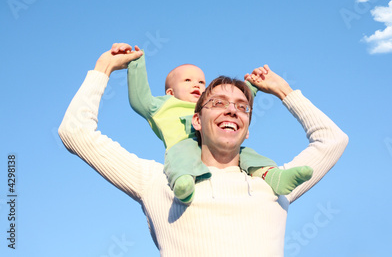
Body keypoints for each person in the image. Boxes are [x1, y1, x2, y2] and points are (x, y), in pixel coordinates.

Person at [58, 43, 348, 257]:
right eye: (218, 103)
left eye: (242, 107)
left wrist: (284, 91)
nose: (232, 110)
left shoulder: (272, 182)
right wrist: (103, 68)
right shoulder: (157, 180)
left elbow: (333, 140)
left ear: (247, 129)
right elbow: (75, 132)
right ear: (196, 120)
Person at [125, 46, 313, 204]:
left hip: (217, 149)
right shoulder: (163, 105)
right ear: (170, 92)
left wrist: (252, 86)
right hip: (183, 148)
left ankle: (274, 177)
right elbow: (139, 98)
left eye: (201, 81)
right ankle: (183, 181)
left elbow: (237, 105)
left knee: (247, 154)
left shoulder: (211, 105)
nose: (196, 85)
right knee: (180, 155)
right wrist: (136, 63)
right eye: (188, 80)